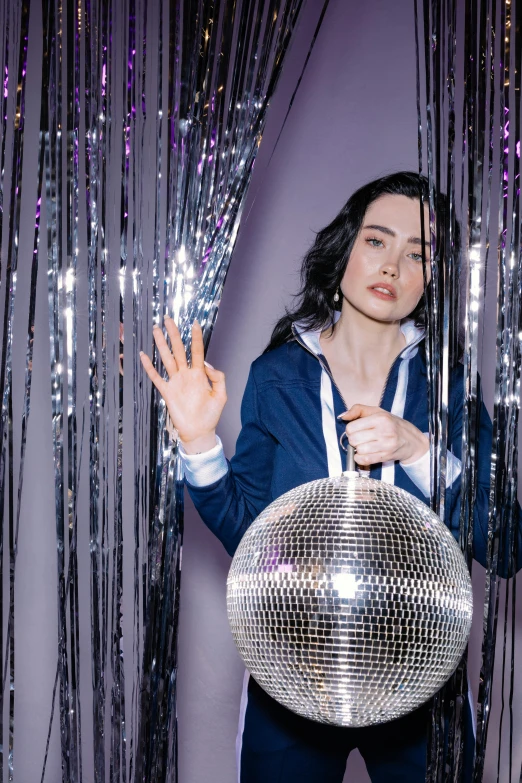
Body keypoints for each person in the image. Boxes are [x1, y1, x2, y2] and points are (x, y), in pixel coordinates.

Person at [139, 172, 506, 782]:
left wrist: (422, 452)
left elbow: (506, 543)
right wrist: (199, 440)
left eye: (419, 253)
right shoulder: (276, 376)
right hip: (291, 683)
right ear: (344, 252)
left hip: (424, 683)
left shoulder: (451, 390)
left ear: (434, 277)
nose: (394, 265)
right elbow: (251, 539)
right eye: (377, 241)